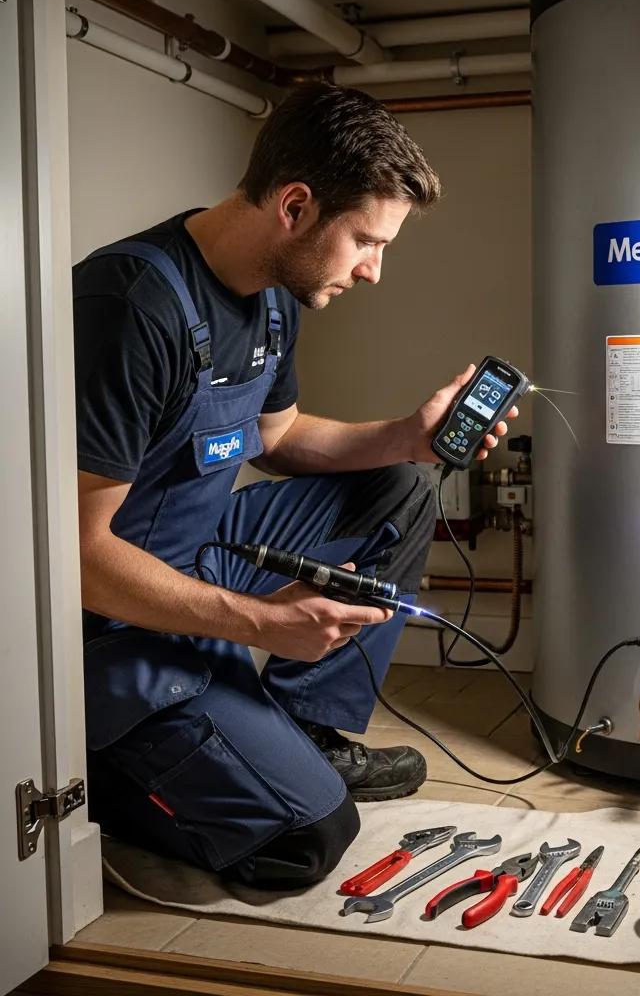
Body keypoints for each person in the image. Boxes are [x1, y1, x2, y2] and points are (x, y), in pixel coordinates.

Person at [74, 84, 518, 889]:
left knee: (401, 487)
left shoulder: (277, 294)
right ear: (296, 206)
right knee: (306, 839)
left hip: (201, 556)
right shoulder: (132, 307)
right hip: (108, 620)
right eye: (365, 242)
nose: (374, 271)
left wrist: (407, 438)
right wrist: (259, 624)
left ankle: (306, 733)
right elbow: (76, 556)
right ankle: (98, 767)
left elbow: (277, 438)